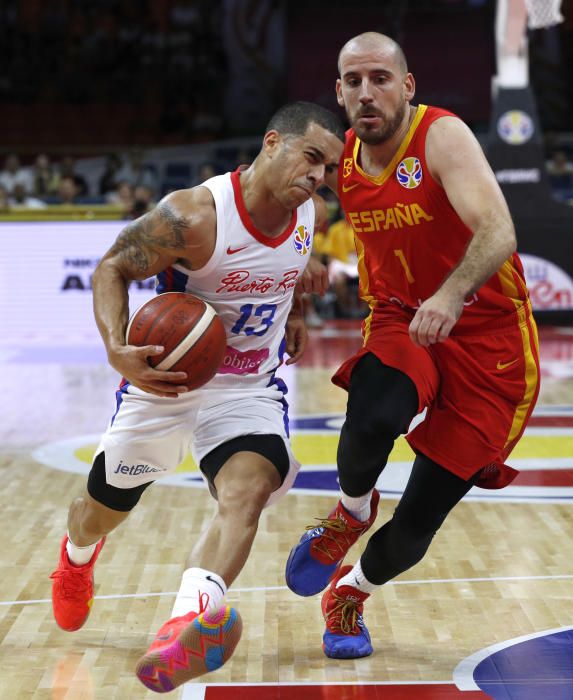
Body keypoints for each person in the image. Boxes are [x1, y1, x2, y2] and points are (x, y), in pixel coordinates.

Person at [49, 100, 344, 693]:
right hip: (168, 379)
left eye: (328, 167)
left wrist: (295, 308)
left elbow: (286, 266)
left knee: (248, 489)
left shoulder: (309, 211)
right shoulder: (194, 215)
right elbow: (112, 267)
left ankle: (185, 621)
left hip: (248, 385)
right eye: (311, 157)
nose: (318, 176)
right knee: (100, 509)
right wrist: (114, 347)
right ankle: (76, 558)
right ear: (271, 143)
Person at [285, 32, 540, 660]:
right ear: (339, 92)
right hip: (403, 317)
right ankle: (348, 510)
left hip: (489, 339)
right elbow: (275, 200)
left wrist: (452, 295)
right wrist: (297, 275)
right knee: (373, 412)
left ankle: (351, 590)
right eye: (353, 81)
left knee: (418, 526)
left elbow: (500, 230)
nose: (366, 92)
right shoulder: (338, 157)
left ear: (407, 86)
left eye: (379, 78)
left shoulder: (441, 136)